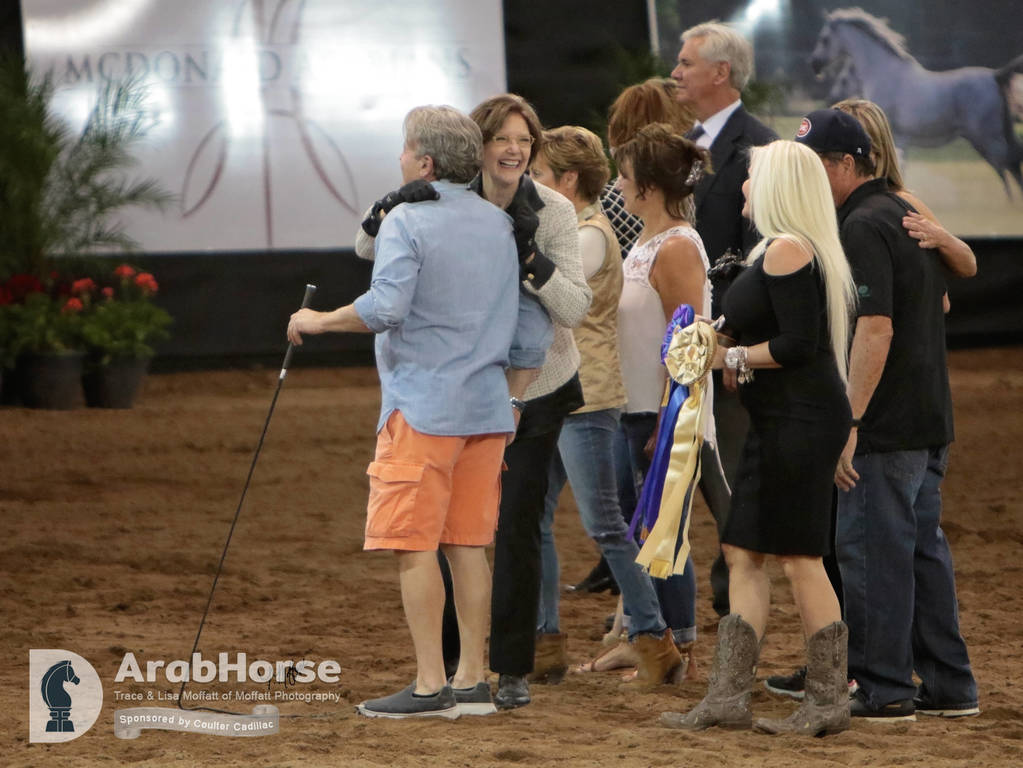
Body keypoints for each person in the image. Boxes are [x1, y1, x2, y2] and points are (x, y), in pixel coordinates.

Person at [286, 105, 553, 719]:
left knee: (414, 547)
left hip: (425, 410)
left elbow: (385, 308)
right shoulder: (500, 223)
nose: (401, 160)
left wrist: (317, 320)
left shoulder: (406, 219)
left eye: (406, 151)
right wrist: (511, 394)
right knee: (467, 547)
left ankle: (430, 685)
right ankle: (472, 680)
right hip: (487, 411)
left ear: (424, 162)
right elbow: (532, 329)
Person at [765, 97, 978, 701]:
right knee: (919, 555)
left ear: (839, 165)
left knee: (869, 555)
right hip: (927, 416)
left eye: (810, 166)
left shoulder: (860, 226)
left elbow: (875, 327)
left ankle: (881, 685)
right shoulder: (902, 212)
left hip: (885, 424)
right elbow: (940, 296)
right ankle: (949, 685)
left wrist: (851, 419)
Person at [660, 139, 857, 736]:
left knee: (801, 558)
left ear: (774, 187)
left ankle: (827, 701)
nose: (742, 188)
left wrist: (733, 355)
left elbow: (798, 345)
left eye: (751, 178)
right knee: (742, 550)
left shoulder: (787, 252)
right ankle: (728, 696)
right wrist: (713, 341)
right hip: (781, 419)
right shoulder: (784, 250)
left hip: (798, 421)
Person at [529, 125, 677, 690]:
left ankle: (653, 636)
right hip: (556, 393)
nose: (532, 185)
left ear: (567, 180)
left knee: (604, 523)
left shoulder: (588, 238)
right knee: (541, 518)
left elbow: (547, 293)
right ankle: (546, 640)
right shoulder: (579, 232)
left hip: (585, 398)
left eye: (541, 176)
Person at [467, 94, 592, 710]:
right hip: (464, 387)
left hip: (539, 390)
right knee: (453, 528)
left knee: (516, 526)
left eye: (524, 140)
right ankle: (453, 662)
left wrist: (530, 259)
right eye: (502, 138)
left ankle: (513, 667)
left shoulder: (553, 211)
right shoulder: (450, 201)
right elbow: (365, 246)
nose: (514, 150)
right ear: (479, 144)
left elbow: (574, 306)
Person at [671, 20, 778, 616]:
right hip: (683, 338)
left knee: (728, 470)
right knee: (690, 466)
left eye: (686, 63)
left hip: (726, 343)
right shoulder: (688, 141)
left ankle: (735, 591)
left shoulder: (757, 147)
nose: (676, 72)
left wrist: (732, 338)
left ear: (721, 73)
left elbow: (759, 254)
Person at [613, 123, 714, 678]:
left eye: (625, 177)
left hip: (658, 410)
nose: (618, 185)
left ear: (648, 187)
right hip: (638, 405)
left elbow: (690, 338)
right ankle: (658, 637)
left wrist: (670, 415)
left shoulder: (674, 246)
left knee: (663, 530)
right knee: (649, 526)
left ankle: (683, 648)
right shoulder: (650, 241)